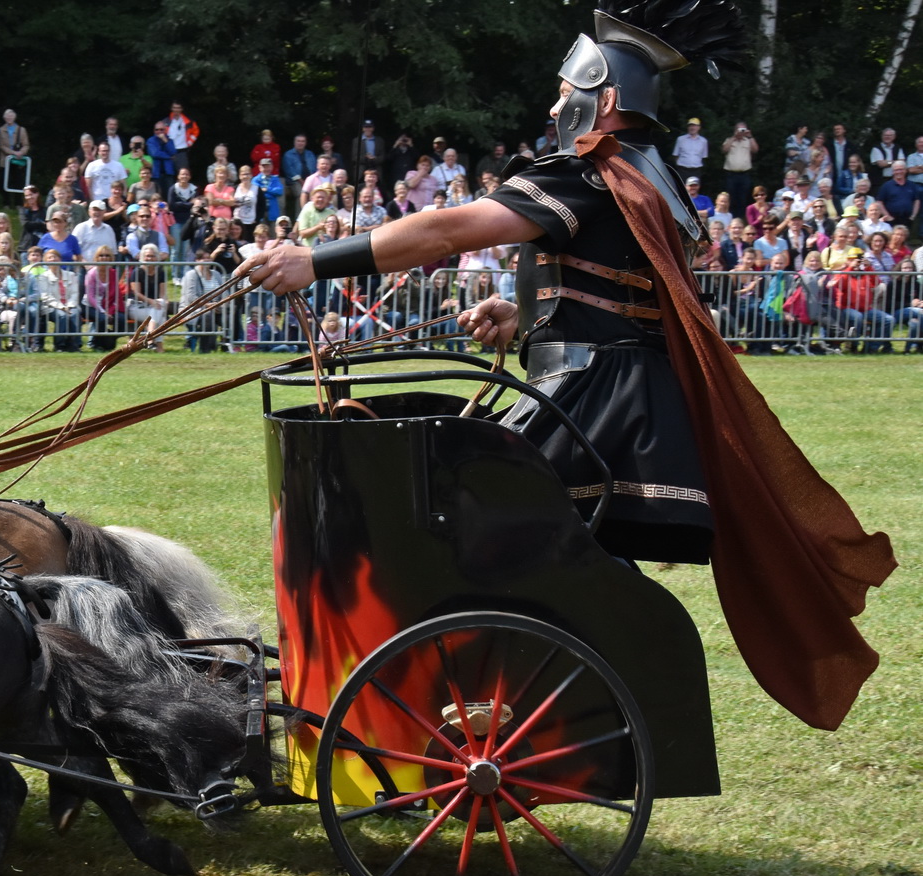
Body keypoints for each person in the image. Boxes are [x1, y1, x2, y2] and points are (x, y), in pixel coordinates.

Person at [239, 0, 894, 732]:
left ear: (604, 101)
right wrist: (526, 316)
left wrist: (313, 260)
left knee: (443, 508)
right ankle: (508, 698)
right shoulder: (647, 177)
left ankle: (473, 707)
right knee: (504, 531)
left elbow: (454, 227)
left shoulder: (596, 170)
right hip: (612, 389)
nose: (556, 105)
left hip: (597, 398)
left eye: (568, 92)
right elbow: (625, 288)